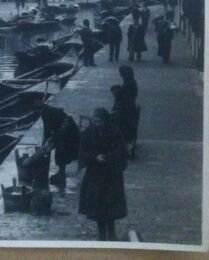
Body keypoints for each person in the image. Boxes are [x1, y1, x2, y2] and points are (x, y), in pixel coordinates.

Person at [79, 107, 128, 241]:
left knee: (110, 204)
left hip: (111, 175)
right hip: (95, 175)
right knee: (97, 205)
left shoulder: (114, 132)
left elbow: (121, 152)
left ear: (105, 121)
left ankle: (111, 232)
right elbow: (82, 151)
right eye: (95, 121)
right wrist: (94, 157)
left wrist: (107, 157)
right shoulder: (89, 132)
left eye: (99, 121)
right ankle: (101, 233)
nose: (97, 124)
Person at [40, 105, 80, 187]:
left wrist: (43, 145)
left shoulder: (45, 113)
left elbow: (47, 132)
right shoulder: (48, 110)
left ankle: (61, 175)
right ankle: (61, 173)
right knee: (61, 150)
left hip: (69, 132)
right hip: (68, 130)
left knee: (61, 151)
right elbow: (49, 130)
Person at [110, 85, 139, 159]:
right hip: (128, 125)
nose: (113, 95)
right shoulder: (125, 99)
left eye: (113, 93)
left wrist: (110, 117)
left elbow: (119, 117)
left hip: (124, 128)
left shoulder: (121, 102)